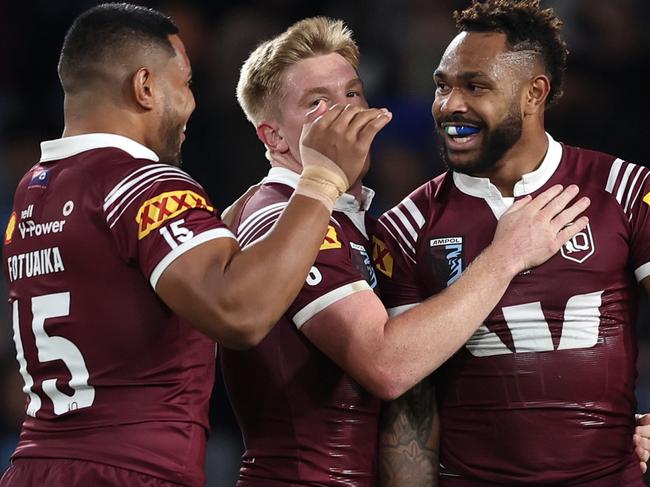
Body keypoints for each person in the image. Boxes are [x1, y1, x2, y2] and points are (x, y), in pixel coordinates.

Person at [0, 4, 391, 487]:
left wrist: (233, 221)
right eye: (184, 84)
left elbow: (137, 286)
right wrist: (321, 180)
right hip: (131, 473)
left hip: (33, 465)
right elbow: (239, 314)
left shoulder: (35, 191)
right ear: (144, 87)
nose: (191, 102)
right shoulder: (145, 184)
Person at [220, 16, 591, 487]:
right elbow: (387, 366)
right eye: (318, 102)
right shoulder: (281, 218)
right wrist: (507, 255)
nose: (346, 112)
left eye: (353, 93)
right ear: (273, 137)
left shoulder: (360, 222)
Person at [375, 0, 650, 485]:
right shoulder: (408, 225)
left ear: (533, 94)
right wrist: (504, 257)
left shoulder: (624, 191)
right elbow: (409, 408)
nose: (450, 105)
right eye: (443, 85)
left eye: (475, 86)